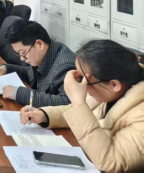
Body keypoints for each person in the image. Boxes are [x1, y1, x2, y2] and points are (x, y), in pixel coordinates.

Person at [20, 40, 144, 173]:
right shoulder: (107, 88)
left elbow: (112, 161)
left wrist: (78, 102)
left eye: (86, 81)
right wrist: (44, 115)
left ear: (114, 85)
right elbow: (82, 112)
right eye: (80, 78)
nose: (83, 87)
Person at [0, 19, 75, 107]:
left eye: (23, 53)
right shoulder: (45, 53)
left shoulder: (65, 67)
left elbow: (67, 103)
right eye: (19, 54)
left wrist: (19, 94)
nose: (22, 58)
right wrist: (6, 69)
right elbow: (30, 74)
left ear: (39, 44)